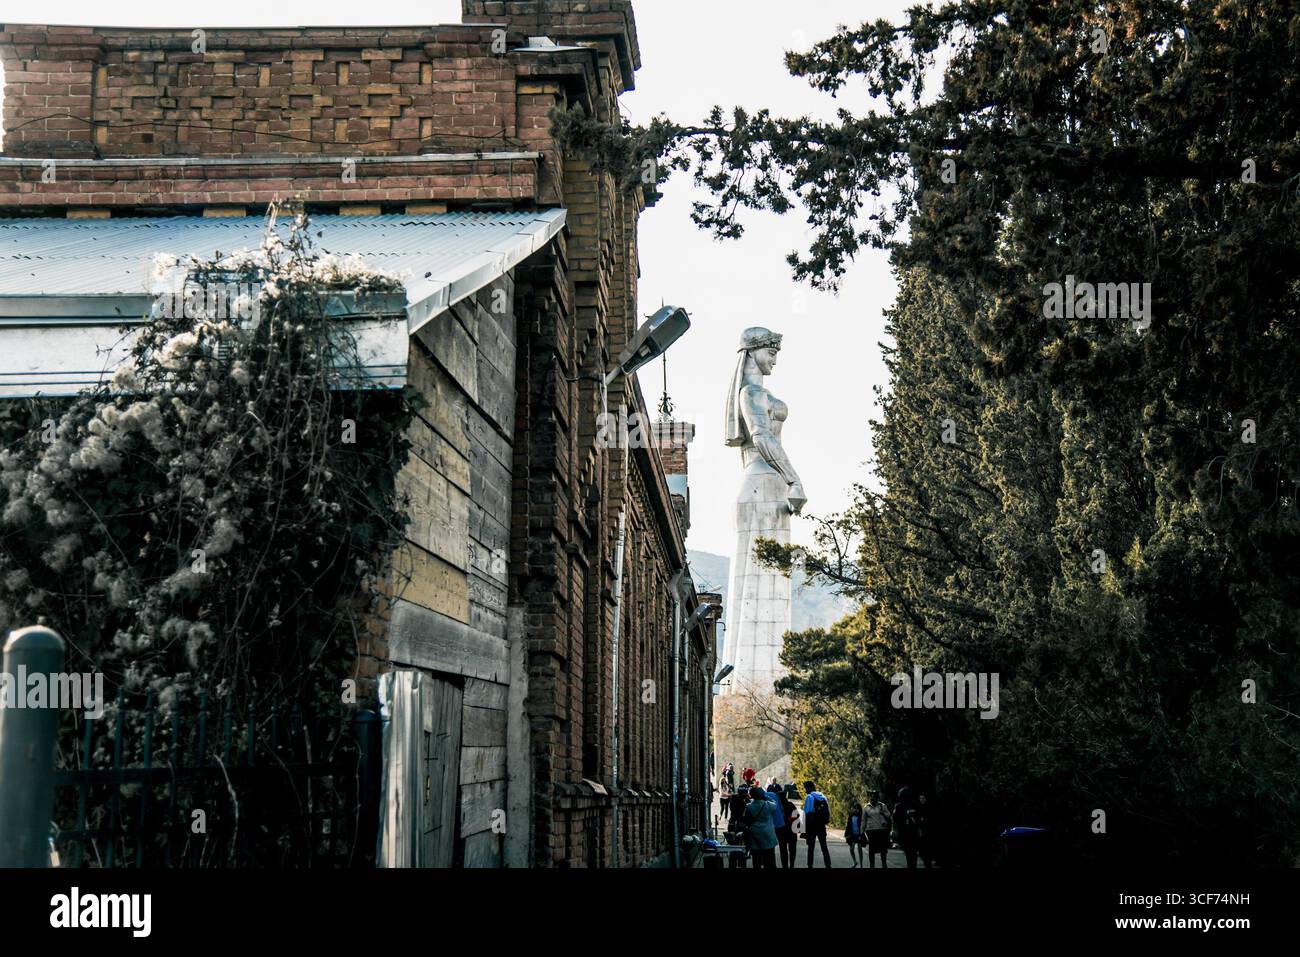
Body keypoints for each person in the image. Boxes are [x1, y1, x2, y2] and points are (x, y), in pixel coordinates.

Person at [742, 786, 779, 868]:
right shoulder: (768, 805)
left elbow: (746, 820)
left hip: (755, 835)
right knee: (770, 860)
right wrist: (766, 797)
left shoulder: (749, 807)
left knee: (756, 860)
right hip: (768, 834)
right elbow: (775, 804)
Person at [802, 780, 833, 868]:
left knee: (811, 848)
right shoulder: (822, 796)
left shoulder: (809, 797)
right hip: (821, 825)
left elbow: (806, 813)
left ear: (810, 788)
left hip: (812, 826)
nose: (805, 790)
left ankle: (810, 866)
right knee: (824, 847)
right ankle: (828, 865)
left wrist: (804, 830)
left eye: (806, 788)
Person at [893, 786, 924, 869]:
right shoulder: (914, 804)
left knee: (910, 855)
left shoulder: (900, 806)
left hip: (907, 834)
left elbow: (895, 819)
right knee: (912, 855)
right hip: (912, 833)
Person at [862, 789, 893, 868]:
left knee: (883, 851)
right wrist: (861, 832)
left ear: (877, 797)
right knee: (871, 851)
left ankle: (884, 865)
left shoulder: (882, 806)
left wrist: (882, 812)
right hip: (871, 832)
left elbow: (889, 816)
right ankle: (872, 866)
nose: (872, 797)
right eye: (871, 796)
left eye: (874, 796)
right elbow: (863, 821)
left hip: (881, 831)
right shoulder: (866, 807)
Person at [778, 785, 801, 868]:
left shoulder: (778, 806)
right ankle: (792, 865)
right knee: (792, 850)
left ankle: (785, 866)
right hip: (792, 829)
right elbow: (797, 815)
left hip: (781, 831)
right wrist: (790, 819)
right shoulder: (790, 804)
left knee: (783, 850)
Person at [845, 801, 865, 867]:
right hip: (852, 835)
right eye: (855, 808)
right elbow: (848, 826)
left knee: (859, 849)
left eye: (858, 808)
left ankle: (861, 865)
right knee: (851, 849)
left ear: (860, 809)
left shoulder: (861, 817)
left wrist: (861, 835)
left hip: (859, 835)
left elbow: (862, 826)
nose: (856, 810)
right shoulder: (851, 816)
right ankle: (855, 861)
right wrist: (846, 835)